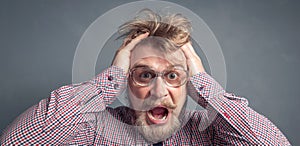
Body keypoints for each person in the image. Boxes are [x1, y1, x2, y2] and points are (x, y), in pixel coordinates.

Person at [0, 9, 290, 145]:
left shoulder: (211, 131)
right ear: (126, 80)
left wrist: (205, 86)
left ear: (189, 83)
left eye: (173, 75)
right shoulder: (91, 129)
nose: (158, 91)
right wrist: (109, 79)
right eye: (145, 74)